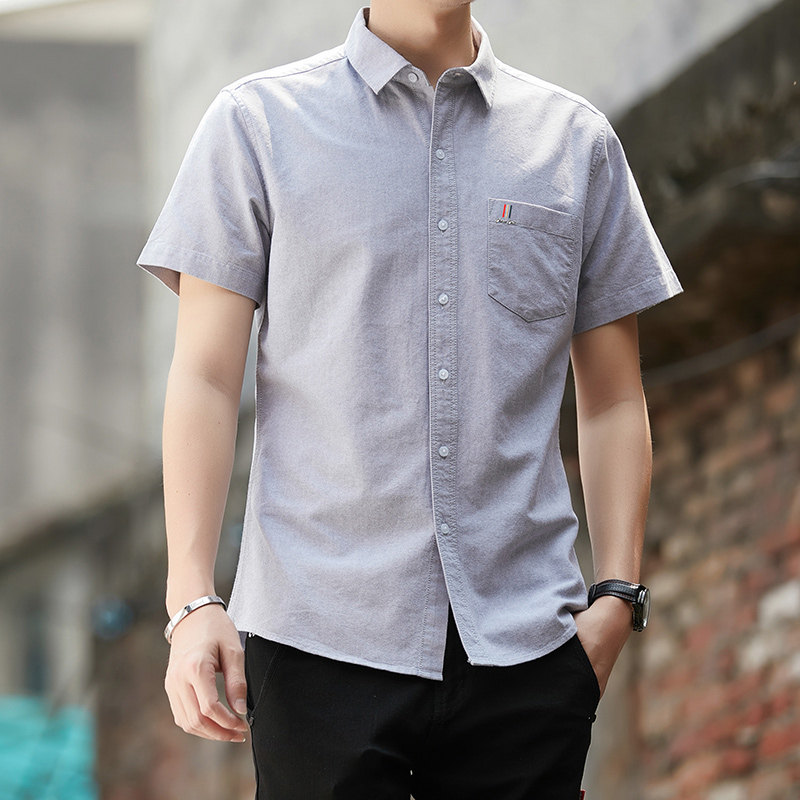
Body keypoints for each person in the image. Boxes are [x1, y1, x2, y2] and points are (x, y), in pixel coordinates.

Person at [138, 1, 682, 797]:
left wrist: (617, 596)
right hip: (319, 635)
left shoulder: (575, 142)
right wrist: (191, 601)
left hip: (528, 645)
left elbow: (612, 399)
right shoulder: (257, 125)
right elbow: (205, 379)